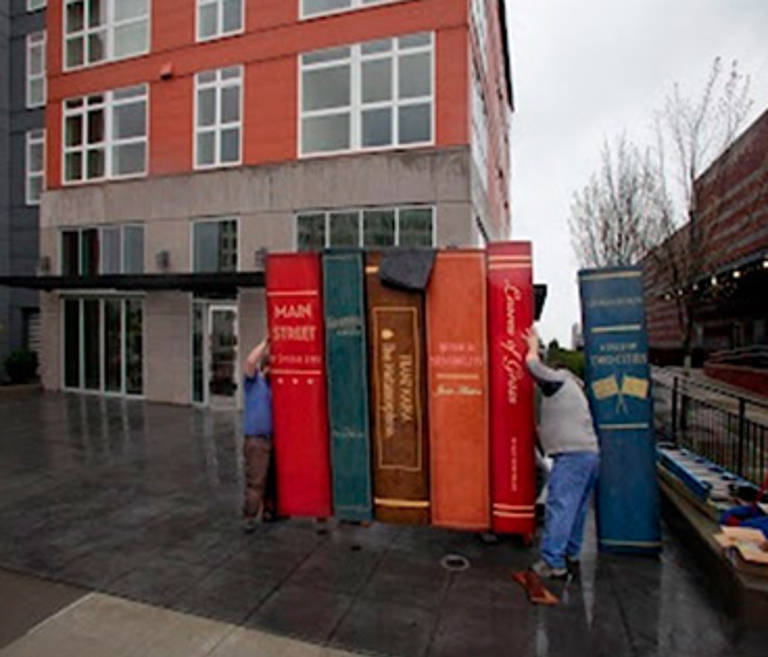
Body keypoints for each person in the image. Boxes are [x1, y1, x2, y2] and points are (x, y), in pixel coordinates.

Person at [524, 327, 600, 579]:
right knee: (576, 508)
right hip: (589, 454)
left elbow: (534, 368)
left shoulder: (560, 381)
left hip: (573, 456)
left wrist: (531, 346)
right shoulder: (576, 389)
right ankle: (570, 553)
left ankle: (552, 562)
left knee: (560, 506)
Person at [241, 337, 276, 532]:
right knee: (256, 480)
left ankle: (270, 511)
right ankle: (249, 515)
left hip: (273, 438)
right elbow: (249, 363)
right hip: (257, 439)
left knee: (272, 480)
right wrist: (265, 343)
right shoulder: (254, 383)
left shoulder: (275, 386)